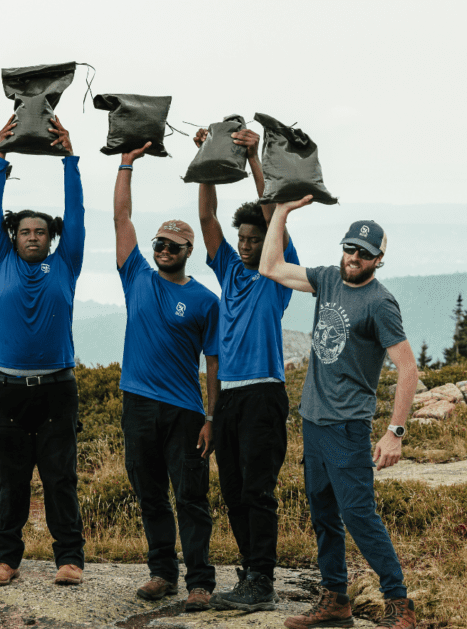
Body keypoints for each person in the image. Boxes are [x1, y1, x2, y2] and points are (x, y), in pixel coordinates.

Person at [260, 201, 417, 629]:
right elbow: (271, 266)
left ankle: (399, 603)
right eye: (350, 247)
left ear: (378, 259)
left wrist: (395, 433)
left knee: (358, 515)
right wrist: (282, 211)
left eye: (364, 252)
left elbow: (408, 368)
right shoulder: (328, 278)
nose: (354, 257)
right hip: (314, 421)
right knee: (324, 514)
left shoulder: (380, 302)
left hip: (348, 427)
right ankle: (336, 600)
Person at [114, 143, 220, 611]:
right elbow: (122, 219)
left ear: (188, 252)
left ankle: (200, 581)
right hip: (136, 403)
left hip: (183, 409)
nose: (161, 250)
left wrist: (212, 417)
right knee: (150, 493)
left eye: (172, 246)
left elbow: (214, 364)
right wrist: (127, 164)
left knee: (191, 498)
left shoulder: (205, 301)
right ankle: (162, 573)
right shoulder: (135, 275)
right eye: (157, 243)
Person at [193, 127, 296, 610]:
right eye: (244, 239)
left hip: (263, 394)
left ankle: (263, 582)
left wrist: (254, 157)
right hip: (230, 397)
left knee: (257, 491)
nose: (249, 245)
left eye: (256, 238)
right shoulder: (230, 269)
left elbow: (274, 214)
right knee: (234, 493)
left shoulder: (277, 275)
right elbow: (208, 216)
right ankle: (251, 574)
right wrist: (207, 160)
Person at [0, 115, 86, 587]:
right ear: (13, 237)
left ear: (51, 239)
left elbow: (77, 212)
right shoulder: (0, 260)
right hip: (6, 390)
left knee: (60, 479)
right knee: (14, 481)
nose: (31, 237)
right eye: (24, 231)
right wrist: (1, 156)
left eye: (40, 232)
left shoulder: (66, 263)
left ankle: (70, 559)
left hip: (56, 389)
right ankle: (6, 559)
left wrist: (69, 159)